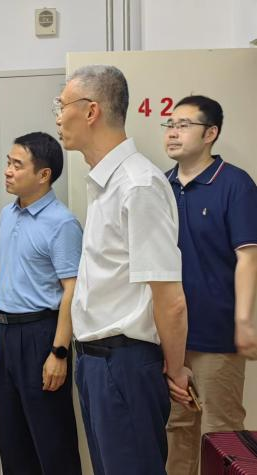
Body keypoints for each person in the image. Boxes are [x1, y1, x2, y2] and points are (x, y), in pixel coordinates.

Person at [54, 65, 191, 475]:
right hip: (96, 362)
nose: (58, 117)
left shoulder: (138, 185)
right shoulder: (105, 183)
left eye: (62, 106)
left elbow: (170, 299)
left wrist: (175, 369)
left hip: (125, 363)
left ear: (91, 110)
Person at [163, 95, 257, 475]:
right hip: (170, 336)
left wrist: (244, 322)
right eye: (170, 125)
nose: (173, 132)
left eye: (184, 125)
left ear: (210, 133)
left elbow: (248, 257)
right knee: (177, 431)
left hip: (217, 336)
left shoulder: (235, 184)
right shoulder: (160, 185)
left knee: (222, 435)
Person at [0, 132, 83, 474]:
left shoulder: (62, 223)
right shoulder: (7, 214)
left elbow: (72, 290)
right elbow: (2, 267)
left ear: (43, 174)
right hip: (7, 335)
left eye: (17, 164)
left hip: (41, 334)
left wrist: (59, 353)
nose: (7, 171)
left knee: (52, 438)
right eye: (8, 162)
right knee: (12, 437)